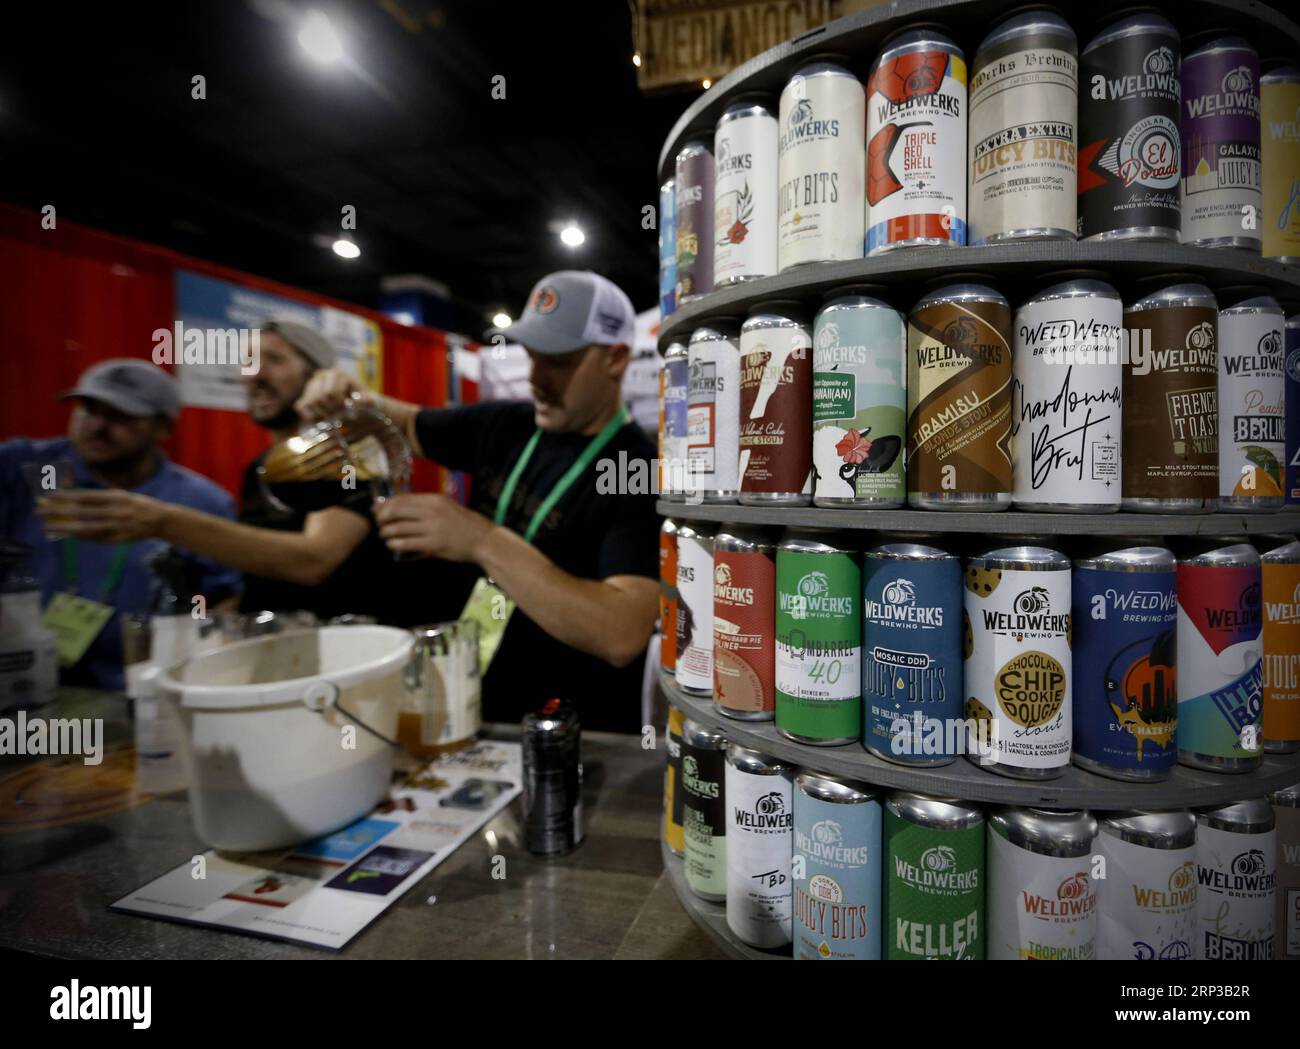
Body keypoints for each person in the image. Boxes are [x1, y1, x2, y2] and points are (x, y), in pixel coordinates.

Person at [296, 271, 661, 732]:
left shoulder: (635, 471)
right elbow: (403, 425)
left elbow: (621, 632)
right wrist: (343, 395)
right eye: (531, 356)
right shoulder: (507, 425)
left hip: (571, 732)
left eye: (558, 362)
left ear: (616, 359)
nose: (535, 378)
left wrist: (481, 540)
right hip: (482, 697)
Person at [40, 321, 420, 625]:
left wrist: (160, 521)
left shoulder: (350, 449)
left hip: (349, 658)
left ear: (317, 375)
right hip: (280, 653)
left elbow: (313, 561)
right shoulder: (258, 468)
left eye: (274, 359)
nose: (253, 374)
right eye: (248, 361)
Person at [0, 359, 241, 690]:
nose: (97, 425)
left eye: (121, 416)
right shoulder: (26, 469)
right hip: (20, 686)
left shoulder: (200, 502)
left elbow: (225, 595)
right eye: (88, 409)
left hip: (138, 693)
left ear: (165, 428)